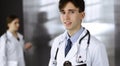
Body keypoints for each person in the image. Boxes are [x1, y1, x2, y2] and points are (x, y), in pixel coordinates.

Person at [48, 0, 109, 66]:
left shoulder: (96, 47)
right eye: (63, 12)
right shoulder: (57, 43)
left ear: (82, 15)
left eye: (71, 12)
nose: (66, 17)